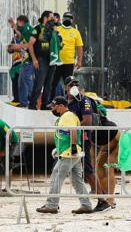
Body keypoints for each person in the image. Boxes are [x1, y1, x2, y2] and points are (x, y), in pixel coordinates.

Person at [36, 96, 93, 214]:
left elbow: (72, 130)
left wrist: (72, 146)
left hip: (69, 153)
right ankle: (86, 204)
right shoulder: (67, 116)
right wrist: (59, 149)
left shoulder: (67, 116)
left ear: (61, 106)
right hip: (71, 152)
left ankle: (52, 204)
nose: (53, 110)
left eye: (54, 107)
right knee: (77, 180)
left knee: (57, 176)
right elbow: (64, 134)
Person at [64, 76, 111, 213]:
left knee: (88, 169)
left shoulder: (84, 100)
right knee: (67, 170)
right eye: (71, 84)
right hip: (68, 140)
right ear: (66, 87)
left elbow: (88, 121)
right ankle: (56, 202)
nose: (74, 86)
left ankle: (103, 200)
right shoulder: (66, 101)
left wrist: (72, 127)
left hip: (82, 140)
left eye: (75, 84)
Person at [28, 11, 58, 109]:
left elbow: (58, 43)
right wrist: (34, 59)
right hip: (41, 60)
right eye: (51, 17)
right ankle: (32, 105)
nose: (53, 19)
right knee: (39, 84)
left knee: (49, 84)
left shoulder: (53, 30)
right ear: (45, 18)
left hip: (52, 59)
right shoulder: (37, 29)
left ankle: (45, 105)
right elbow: (30, 44)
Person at [52, 12, 83, 97]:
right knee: (53, 83)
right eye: (65, 18)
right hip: (57, 62)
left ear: (72, 21)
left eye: (69, 18)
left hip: (69, 63)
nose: (67, 20)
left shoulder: (76, 32)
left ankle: (69, 102)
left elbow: (79, 47)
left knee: (69, 85)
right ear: (62, 19)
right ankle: (51, 102)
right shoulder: (57, 29)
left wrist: (79, 61)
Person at [8, 15, 35, 108]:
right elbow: (10, 49)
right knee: (21, 81)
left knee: (25, 80)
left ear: (22, 22)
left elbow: (25, 42)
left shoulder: (27, 31)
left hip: (27, 60)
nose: (16, 26)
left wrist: (17, 47)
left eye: (18, 22)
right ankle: (22, 101)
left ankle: (32, 100)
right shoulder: (18, 35)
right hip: (22, 61)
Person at [0, 119, 19, 190]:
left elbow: (9, 133)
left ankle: (8, 187)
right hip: (2, 141)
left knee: (7, 162)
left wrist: (4, 150)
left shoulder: (1, 124)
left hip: (11, 141)